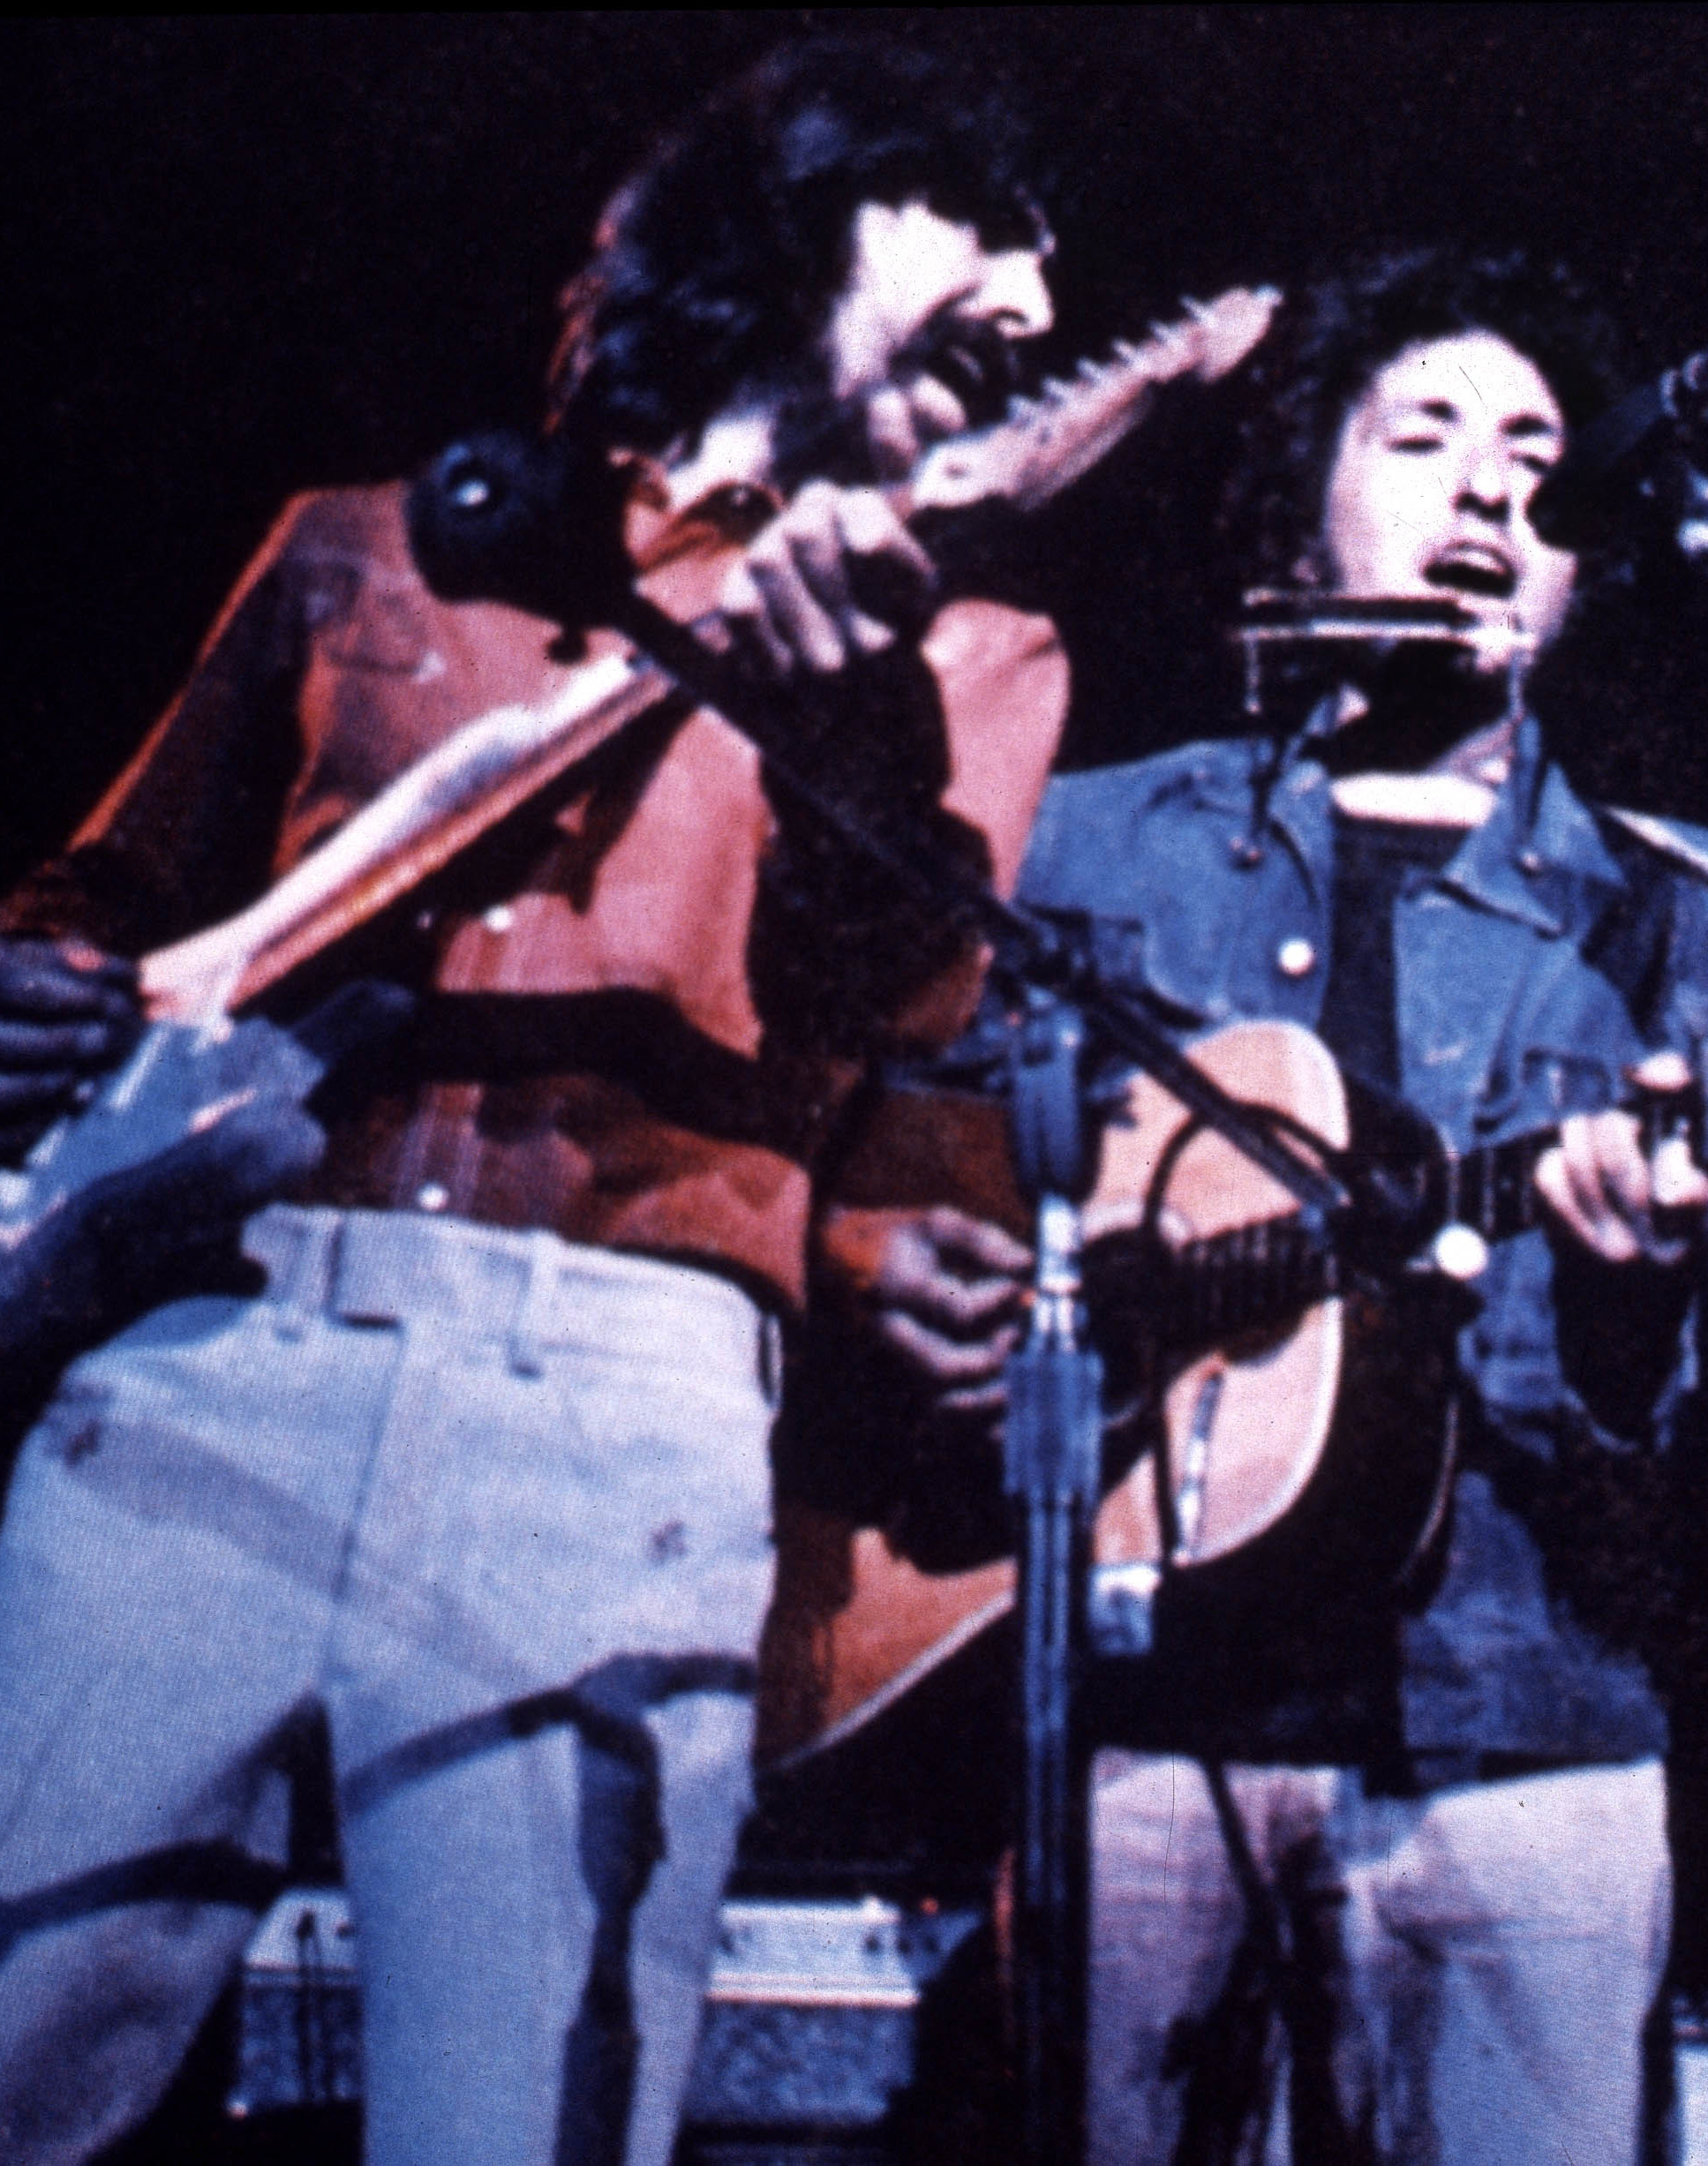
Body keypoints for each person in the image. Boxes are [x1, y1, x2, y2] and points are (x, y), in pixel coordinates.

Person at [0, 40, 1068, 2166]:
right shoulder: (368, 548)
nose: (1037, 295)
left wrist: (849, 702)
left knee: (519, 2127)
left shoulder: (972, 648)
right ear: (796, 222)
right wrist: (34, 976)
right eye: (973, 212)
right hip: (219, 1339)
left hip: (617, 1408)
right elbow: (118, 892)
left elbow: (892, 999)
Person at [852, 247, 1708, 2164]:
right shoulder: (1078, 844)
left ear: (1577, 558)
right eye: (1424, 434)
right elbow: (889, 1158)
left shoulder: (1706, 930)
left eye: (1535, 459)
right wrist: (900, 1273)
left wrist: (1634, 1319)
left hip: (1521, 1750)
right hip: (1122, 1722)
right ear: (1302, 505)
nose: (1482, 491)